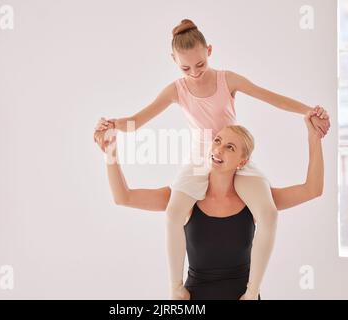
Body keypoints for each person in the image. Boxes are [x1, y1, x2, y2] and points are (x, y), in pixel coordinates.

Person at [94, 19, 330, 299]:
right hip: (199, 160)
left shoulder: (226, 80)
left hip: (235, 157)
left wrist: (308, 112)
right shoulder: (176, 90)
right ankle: (175, 288)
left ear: (209, 51)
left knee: (268, 212)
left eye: (200, 64)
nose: (193, 73)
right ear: (173, 60)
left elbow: (270, 98)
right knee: (172, 213)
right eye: (185, 68)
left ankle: (253, 291)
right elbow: (137, 121)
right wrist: (110, 127)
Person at [94, 110, 324, 299]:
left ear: (242, 162)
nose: (218, 149)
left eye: (230, 148)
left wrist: (314, 137)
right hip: (194, 298)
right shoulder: (184, 197)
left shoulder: (255, 202)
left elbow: (312, 189)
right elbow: (123, 197)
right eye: (217, 141)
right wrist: (110, 151)